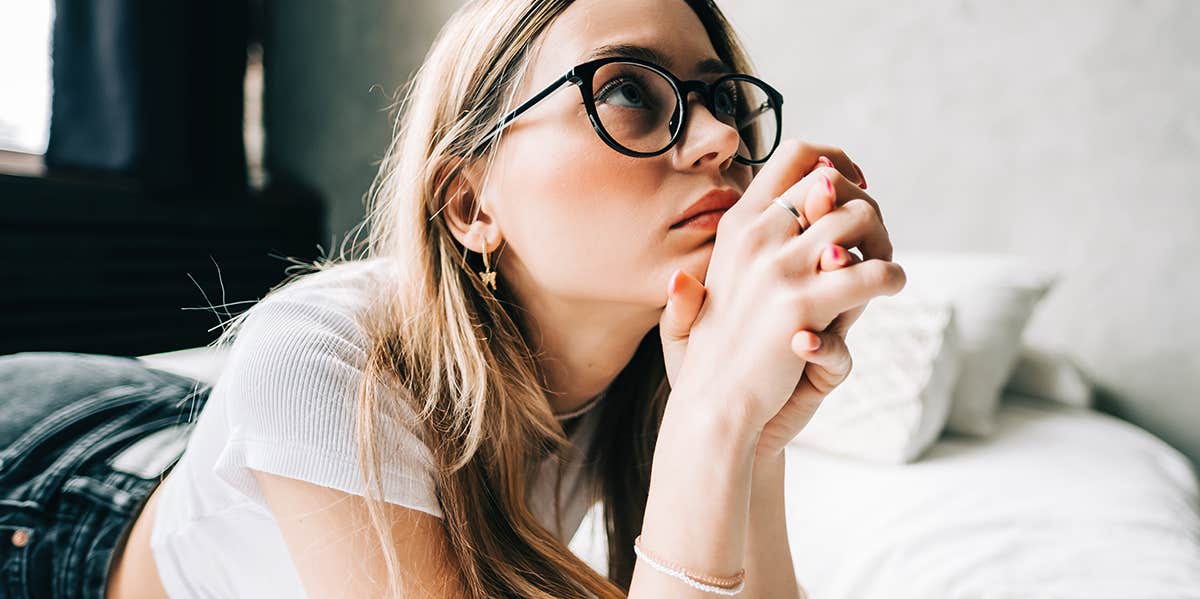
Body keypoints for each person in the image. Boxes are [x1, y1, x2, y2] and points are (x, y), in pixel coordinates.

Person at [1, 0, 904, 597]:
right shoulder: (320, 360)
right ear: (471, 203)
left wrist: (751, 430)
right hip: (51, 487)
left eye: (724, 98)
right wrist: (714, 420)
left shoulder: (667, 363)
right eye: (628, 89)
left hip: (176, 428)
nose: (718, 139)